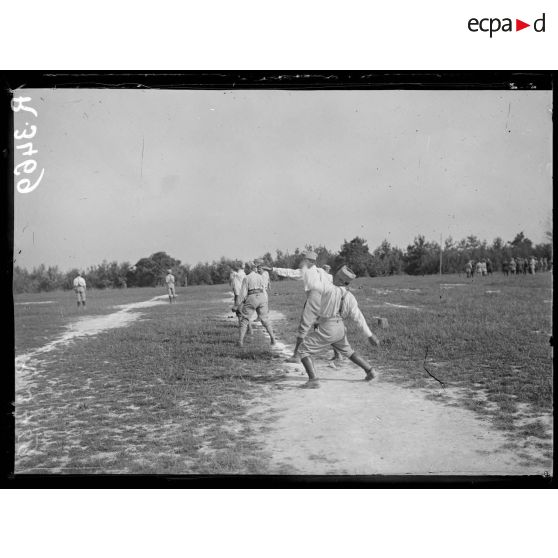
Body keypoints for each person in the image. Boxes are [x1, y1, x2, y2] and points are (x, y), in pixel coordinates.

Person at [298, 265, 380, 383]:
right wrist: (370, 335)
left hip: (327, 326)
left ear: (340, 279)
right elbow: (358, 317)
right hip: (340, 327)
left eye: (335, 276)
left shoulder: (326, 288)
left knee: (303, 350)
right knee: (349, 351)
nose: (333, 277)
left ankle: (313, 380)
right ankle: (370, 371)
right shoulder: (349, 296)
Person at [263, 249, 327, 363]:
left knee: (304, 327)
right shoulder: (321, 271)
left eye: (304, 259)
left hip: (314, 298)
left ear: (309, 261)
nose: (302, 261)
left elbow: (290, 272)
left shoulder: (306, 271)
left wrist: (272, 269)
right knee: (327, 325)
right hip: (325, 298)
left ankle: (296, 356)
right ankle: (338, 355)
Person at [235, 261, 275, 347]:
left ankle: (240, 341)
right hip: (261, 297)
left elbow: (243, 293)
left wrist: (238, 305)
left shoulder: (246, 278)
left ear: (249, 268)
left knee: (244, 320)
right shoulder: (260, 276)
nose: (244, 270)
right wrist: (265, 302)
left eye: (245, 268)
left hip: (252, 297)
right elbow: (264, 289)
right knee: (265, 319)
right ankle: (273, 339)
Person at [229, 262, 252, 334]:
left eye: (234, 265)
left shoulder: (235, 274)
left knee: (239, 312)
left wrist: (231, 274)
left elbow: (231, 283)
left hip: (238, 294)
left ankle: (242, 327)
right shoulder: (244, 273)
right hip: (245, 294)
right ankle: (249, 328)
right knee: (245, 312)